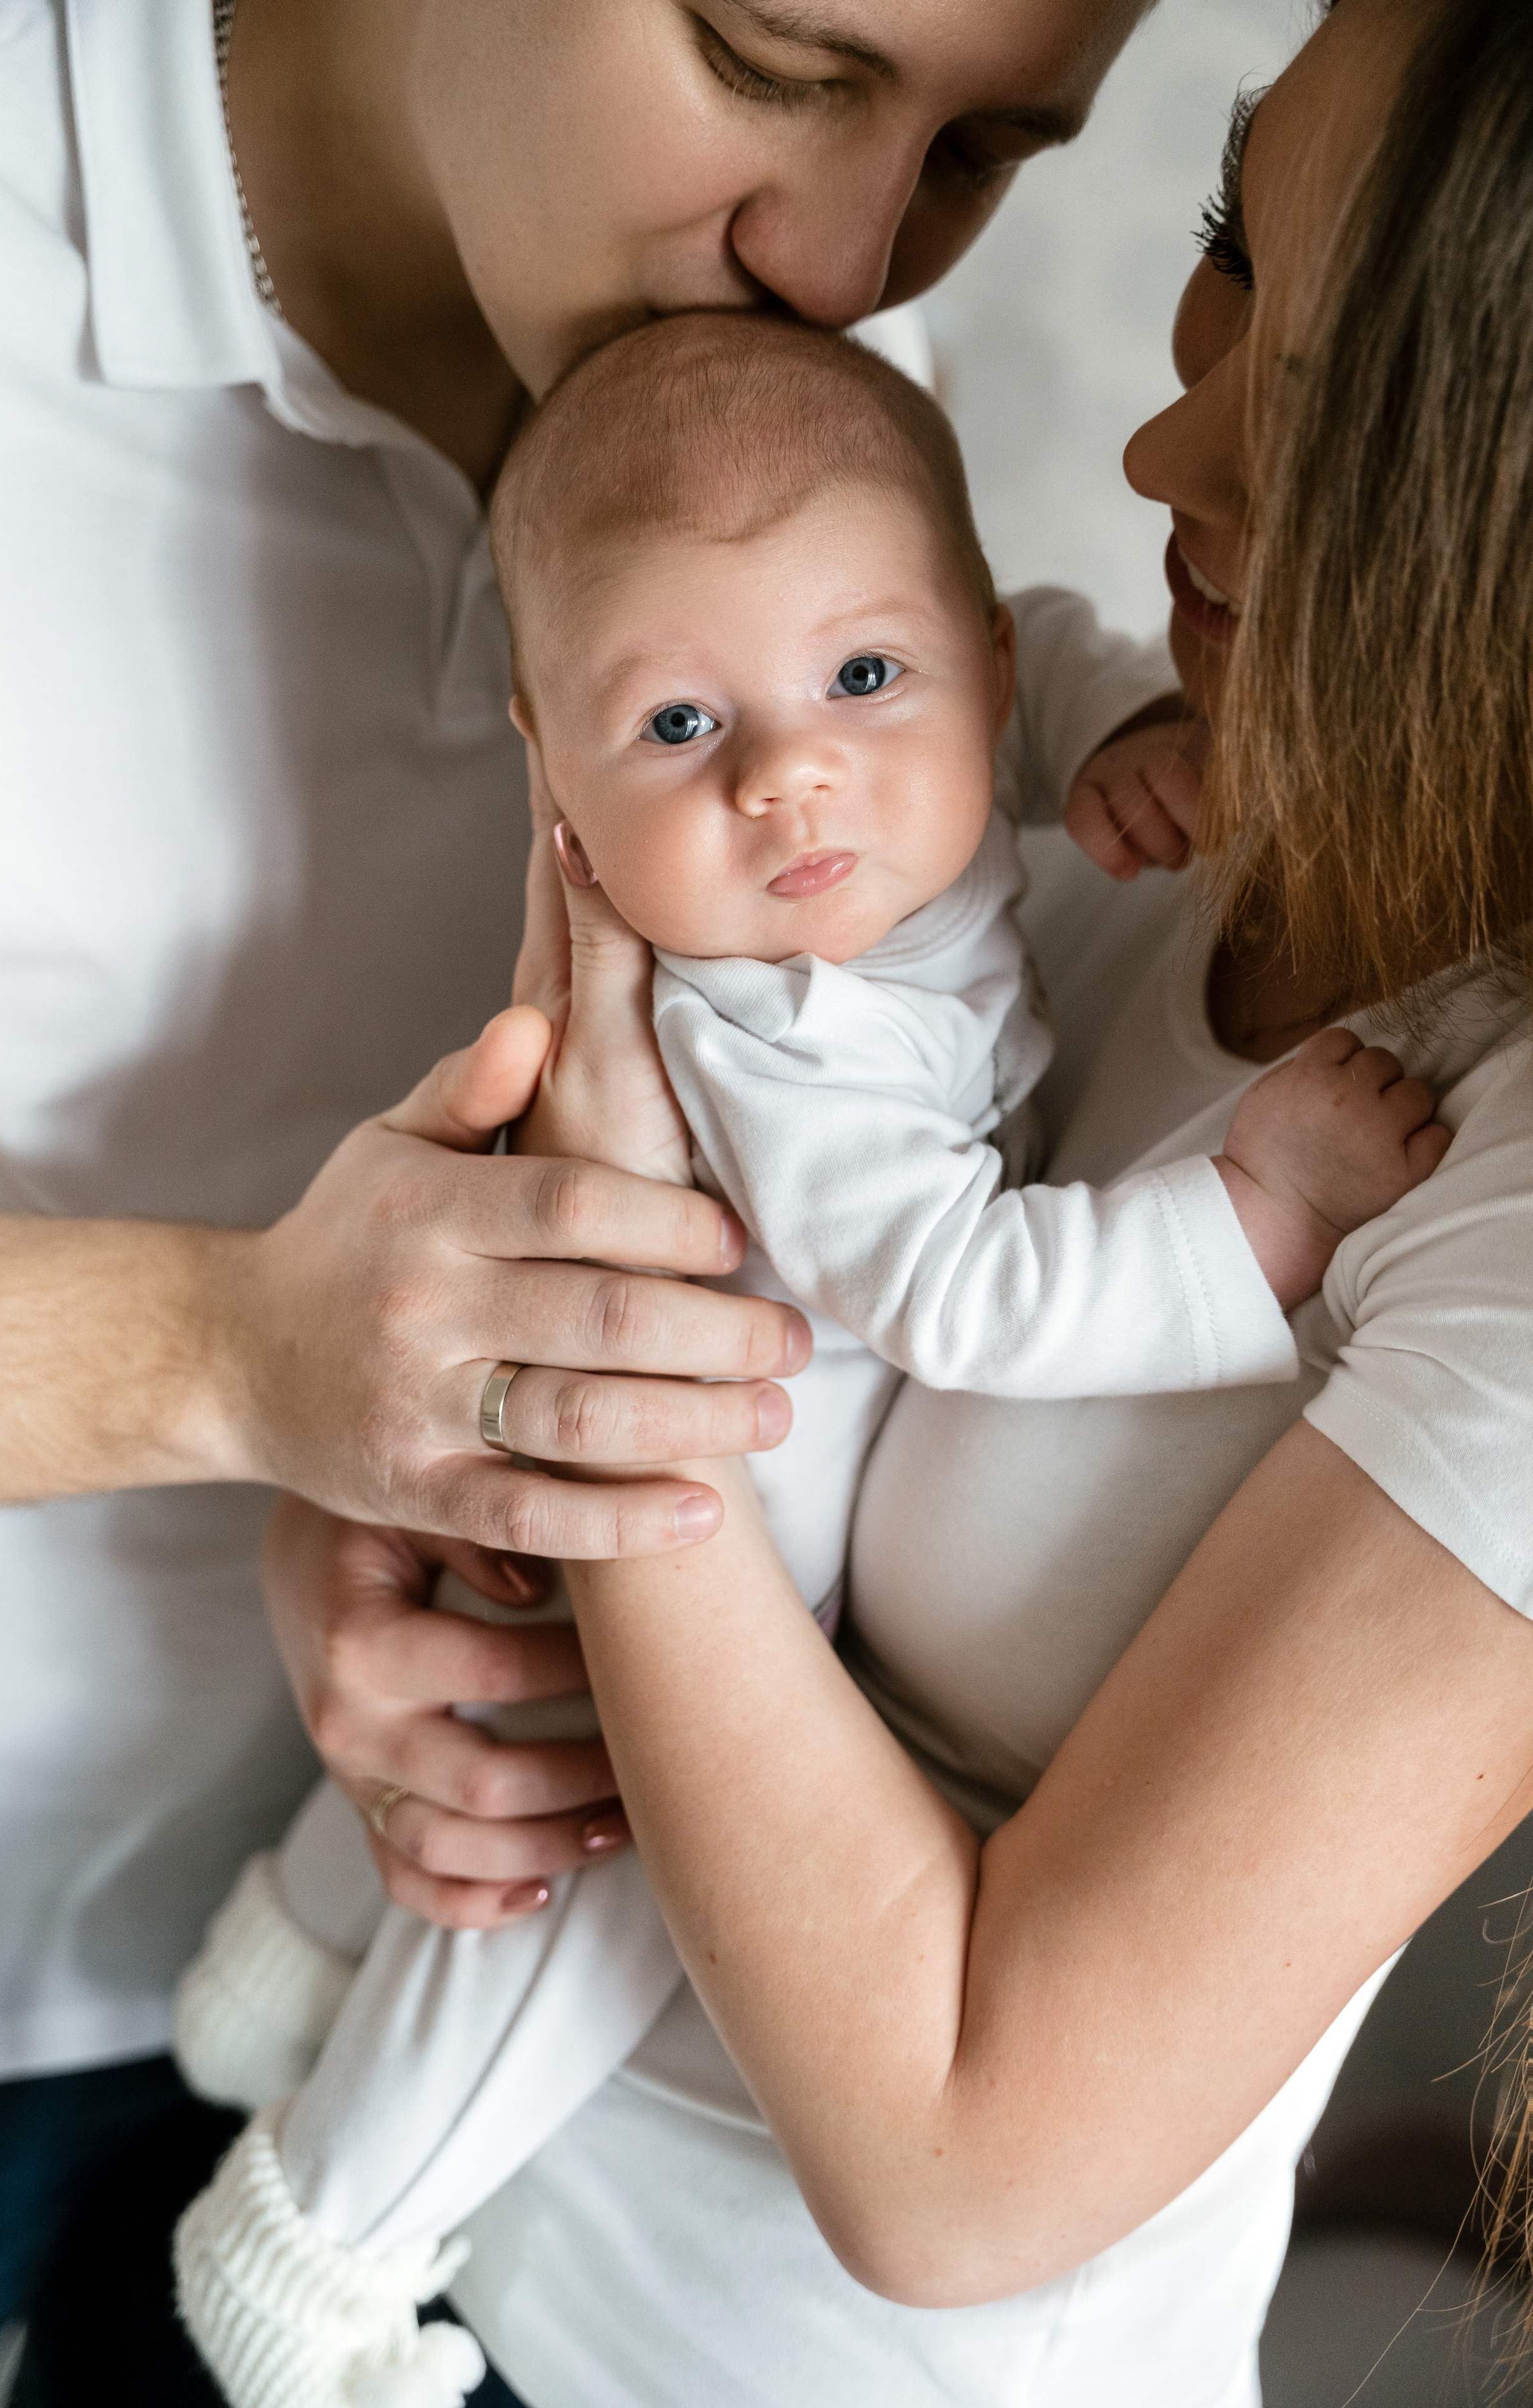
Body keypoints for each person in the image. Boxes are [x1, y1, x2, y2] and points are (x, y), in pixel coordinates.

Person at [243, 1, 1533, 2402]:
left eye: (1361, 391)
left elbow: (956, 2173)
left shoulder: (1500, 1179)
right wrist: (418, 1481)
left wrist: (600, 1318)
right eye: (1228, 243)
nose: (1163, 438)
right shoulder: (1125, 789)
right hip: (483, 2246)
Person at [0, 0, 1170, 2399]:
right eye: (776, 64)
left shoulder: (737, 353)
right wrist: (231, 1362)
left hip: (417, 1976)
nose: (843, 258)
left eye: (984, 148)